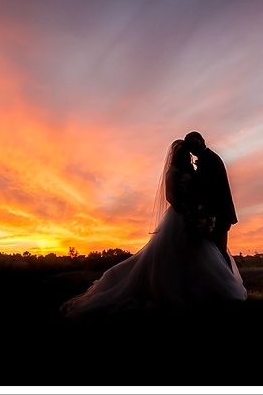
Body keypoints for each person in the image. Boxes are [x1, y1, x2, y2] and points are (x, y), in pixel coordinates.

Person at [60, 139, 246, 321]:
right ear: (175, 154)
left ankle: (202, 290)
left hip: (193, 215)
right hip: (179, 217)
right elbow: (171, 197)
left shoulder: (190, 169)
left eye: (185, 152)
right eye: (180, 151)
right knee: (172, 256)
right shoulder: (172, 172)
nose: (183, 154)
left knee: (198, 254)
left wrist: (198, 211)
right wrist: (187, 210)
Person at [184, 131, 237, 270]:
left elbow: (210, 188)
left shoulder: (210, 159)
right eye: (190, 146)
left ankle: (229, 286)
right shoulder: (206, 158)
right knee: (214, 252)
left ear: (202, 141)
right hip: (217, 212)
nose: (193, 148)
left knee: (219, 251)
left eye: (195, 143)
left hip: (218, 213)